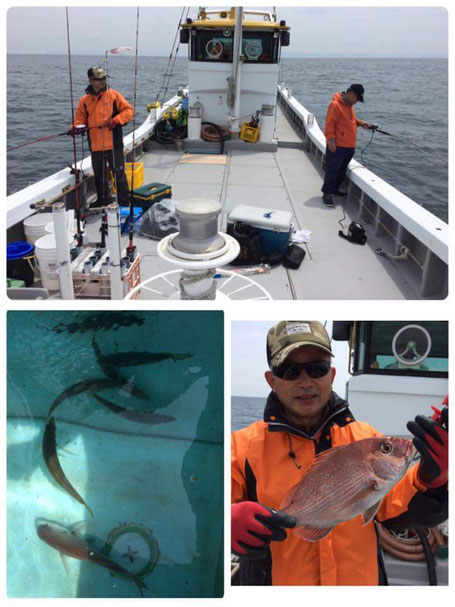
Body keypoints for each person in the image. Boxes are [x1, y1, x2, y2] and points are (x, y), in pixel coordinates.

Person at [231, 321, 448, 585]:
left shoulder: (366, 437)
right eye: (290, 371)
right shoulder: (241, 447)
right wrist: (224, 520)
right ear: (272, 381)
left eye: (317, 369)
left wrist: (431, 481)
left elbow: (397, 511)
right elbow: (199, 504)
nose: (306, 381)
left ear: (332, 376)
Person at [68, 66, 134, 208]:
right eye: (99, 79)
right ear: (91, 80)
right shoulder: (84, 101)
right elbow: (80, 120)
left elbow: (128, 111)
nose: (103, 81)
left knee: (119, 175)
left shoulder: (114, 95)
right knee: (99, 176)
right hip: (96, 145)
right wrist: (75, 128)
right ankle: (103, 201)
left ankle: (124, 204)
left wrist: (116, 120)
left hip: (114, 144)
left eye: (104, 78)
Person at [321, 84, 371, 207]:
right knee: (332, 170)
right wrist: (331, 141)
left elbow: (350, 121)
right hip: (337, 146)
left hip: (349, 147)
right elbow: (329, 125)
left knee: (341, 171)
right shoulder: (335, 105)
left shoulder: (349, 107)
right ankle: (327, 193)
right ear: (351, 94)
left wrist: (360, 123)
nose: (357, 102)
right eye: (357, 99)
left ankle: (335, 190)